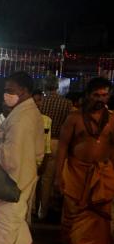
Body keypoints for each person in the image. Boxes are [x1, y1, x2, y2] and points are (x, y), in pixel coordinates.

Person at [0, 71, 44, 244]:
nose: (6, 95)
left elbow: (11, 155)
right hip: (25, 172)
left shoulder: (22, 117)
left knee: (6, 220)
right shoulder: (25, 112)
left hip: (14, 176)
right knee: (15, 219)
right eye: (5, 90)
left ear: (24, 91)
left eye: (10, 91)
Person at [56, 77, 114, 244]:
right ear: (88, 95)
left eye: (104, 95)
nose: (100, 99)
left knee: (100, 213)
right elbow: (63, 147)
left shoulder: (112, 119)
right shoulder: (74, 118)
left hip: (102, 172)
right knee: (72, 211)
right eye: (96, 95)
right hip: (76, 171)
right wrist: (58, 175)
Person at [37, 76, 73, 218]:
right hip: (57, 142)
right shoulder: (67, 103)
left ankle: (32, 208)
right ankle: (43, 211)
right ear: (57, 86)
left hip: (40, 140)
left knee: (35, 176)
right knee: (48, 179)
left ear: (44, 86)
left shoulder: (40, 102)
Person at [32, 89, 53, 216]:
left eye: (39, 100)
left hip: (39, 160)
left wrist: (44, 162)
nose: (37, 103)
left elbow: (47, 145)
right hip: (25, 160)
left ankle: (39, 212)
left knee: (40, 187)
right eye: (34, 101)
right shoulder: (21, 119)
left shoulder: (46, 120)